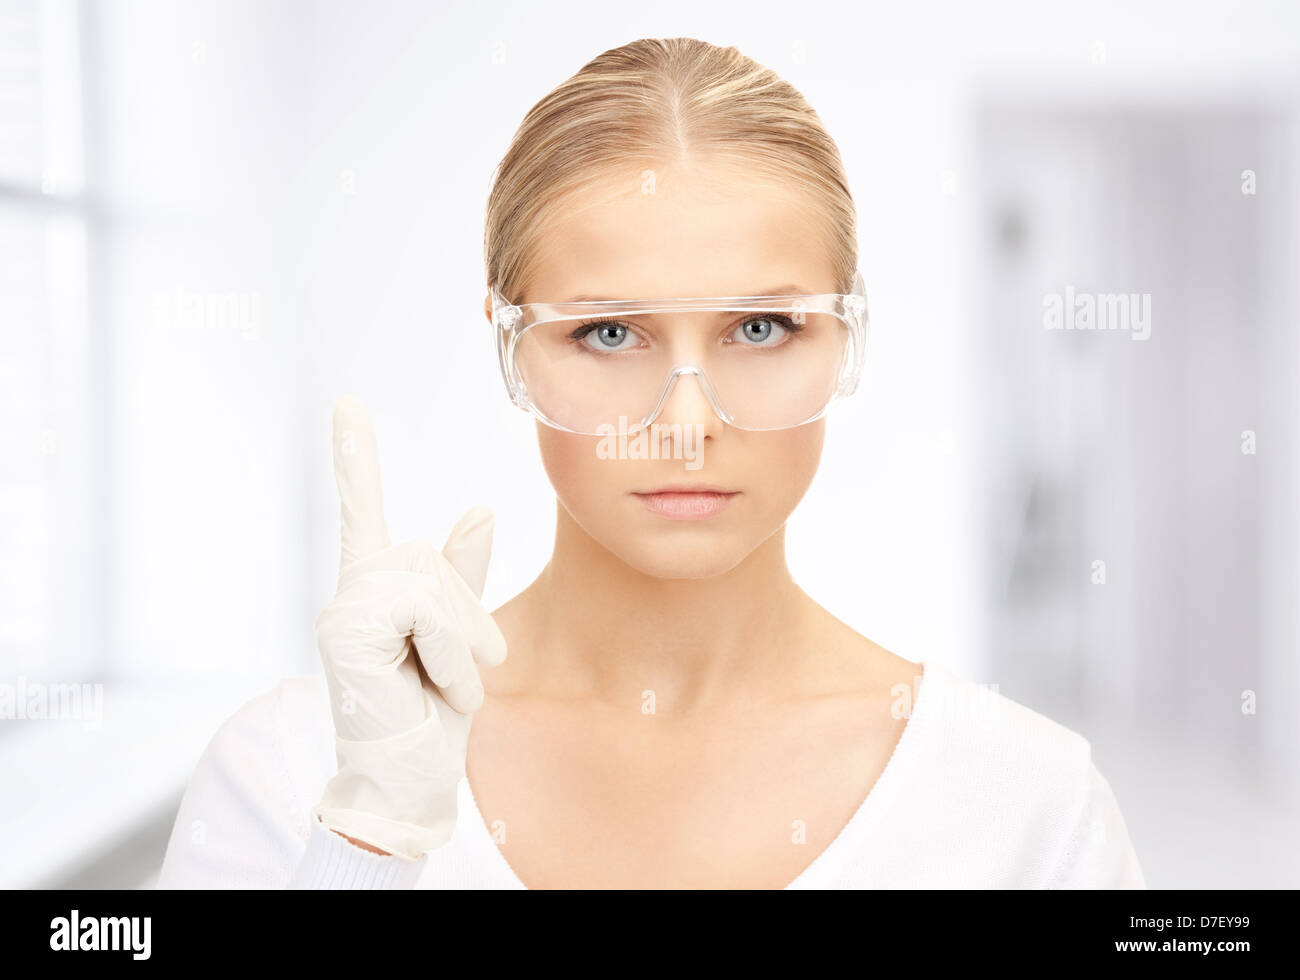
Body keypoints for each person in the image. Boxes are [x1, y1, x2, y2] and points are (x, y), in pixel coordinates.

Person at [157, 36, 1145, 889]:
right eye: (610, 331)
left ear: (846, 340)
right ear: (510, 343)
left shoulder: (1026, 803)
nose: (683, 420)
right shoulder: (290, 769)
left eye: (760, 326)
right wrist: (364, 841)